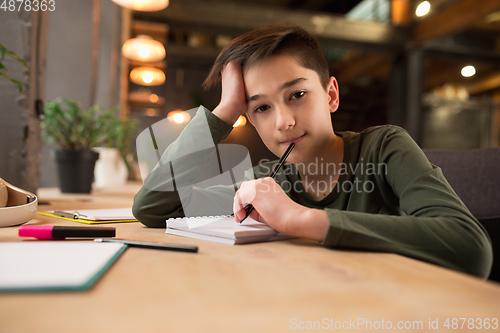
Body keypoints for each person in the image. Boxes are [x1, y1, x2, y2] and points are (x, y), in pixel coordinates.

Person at [132, 24, 492, 278]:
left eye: (297, 95)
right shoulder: (270, 183)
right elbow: (153, 207)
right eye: (261, 108)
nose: (283, 121)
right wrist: (225, 110)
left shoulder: (383, 147)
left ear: (331, 95)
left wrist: (301, 220)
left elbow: (470, 248)